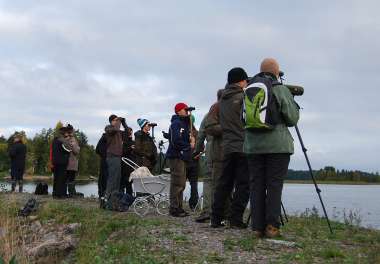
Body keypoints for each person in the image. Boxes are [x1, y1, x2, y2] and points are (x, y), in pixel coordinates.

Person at [245, 58, 299, 238]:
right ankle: (272, 227)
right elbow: (292, 118)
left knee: (256, 185)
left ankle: (257, 227)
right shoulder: (280, 89)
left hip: (253, 146)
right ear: (277, 72)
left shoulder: (249, 90)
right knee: (274, 185)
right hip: (278, 146)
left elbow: (242, 119)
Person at [211, 67, 250, 228]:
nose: (247, 83)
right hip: (242, 145)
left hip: (227, 146)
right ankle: (235, 219)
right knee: (243, 184)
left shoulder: (222, 101)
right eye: (246, 80)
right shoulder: (243, 97)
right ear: (241, 81)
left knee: (224, 184)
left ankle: (216, 218)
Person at [166, 103, 192, 217]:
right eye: (184, 109)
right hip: (176, 156)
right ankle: (174, 208)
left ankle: (179, 207)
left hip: (182, 157)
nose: (187, 111)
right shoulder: (176, 123)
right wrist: (188, 145)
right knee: (177, 182)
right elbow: (175, 140)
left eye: (187, 109)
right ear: (178, 111)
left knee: (182, 183)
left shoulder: (184, 124)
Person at [104, 114, 128, 202]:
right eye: (115, 120)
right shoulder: (108, 128)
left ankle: (113, 198)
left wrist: (124, 123)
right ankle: (107, 198)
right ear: (111, 121)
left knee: (117, 178)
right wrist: (119, 122)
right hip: (112, 156)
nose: (117, 121)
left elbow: (128, 132)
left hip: (117, 157)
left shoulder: (118, 131)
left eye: (117, 120)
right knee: (112, 178)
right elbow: (114, 130)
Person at [52, 127, 72, 198]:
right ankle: (60, 194)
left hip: (55, 161)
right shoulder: (62, 141)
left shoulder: (55, 140)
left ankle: (55, 193)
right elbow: (68, 150)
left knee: (56, 178)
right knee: (62, 178)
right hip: (62, 162)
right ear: (64, 133)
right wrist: (68, 141)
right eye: (66, 132)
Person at [186, 115, 199, 210]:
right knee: (194, 184)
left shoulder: (184, 131)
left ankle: (193, 203)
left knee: (181, 184)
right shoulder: (198, 133)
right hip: (193, 161)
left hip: (188, 161)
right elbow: (201, 147)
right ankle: (193, 204)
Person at [66, 124, 81, 197]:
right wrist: (78, 148)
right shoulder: (72, 139)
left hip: (66, 163)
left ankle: (68, 193)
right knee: (71, 179)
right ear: (71, 131)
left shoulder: (64, 138)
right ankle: (72, 193)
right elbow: (76, 151)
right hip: (71, 163)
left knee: (67, 179)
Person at [120, 127, 135, 195]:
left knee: (129, 185)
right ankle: (121, 199)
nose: (130, 134)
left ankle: (129, 199)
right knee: (122, 185)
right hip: (123, 166)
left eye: (131, 133)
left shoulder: (134, 142)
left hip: (131, 167)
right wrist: (130, 148)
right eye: (129, 133)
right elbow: (122, 152)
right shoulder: (122, 143)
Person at [96, 131, 108, 200]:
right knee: (103, 178)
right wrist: (105, 155)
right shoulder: (104, 137)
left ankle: (103, 195)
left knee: (104, 178)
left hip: (106, 160)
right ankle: (102, 195)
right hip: (105, 160)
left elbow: (97, 150)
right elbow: (97, 149)